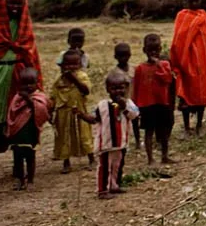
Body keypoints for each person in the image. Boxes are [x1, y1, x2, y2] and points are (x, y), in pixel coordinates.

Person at [0, 0, 42, 184]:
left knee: (19, 122)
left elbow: (29, 50)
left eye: (19, 3)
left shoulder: (24, 23)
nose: (15, 7)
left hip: (18, 77)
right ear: (3, 2)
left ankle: (18, 168)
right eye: (12, 2)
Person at [80, 69, 139, 199]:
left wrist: (124, 107)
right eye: (114, 88)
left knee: (117, 165)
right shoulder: (102, 105)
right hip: (106, 143)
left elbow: (134, 115)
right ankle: (102, 190)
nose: (118, 91)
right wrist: (82, 115)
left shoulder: (128, 103)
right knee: (105, 167)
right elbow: (95, 119)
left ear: (126, 88)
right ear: (107, 89)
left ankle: (114, 185)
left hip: (121, 142)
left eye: (121, 88)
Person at [170, 0, 206, 136]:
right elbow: (178, 41)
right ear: (185, 2)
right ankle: (186, 127)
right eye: (191, 1)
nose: (194, 3)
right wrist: (179, 61)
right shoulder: (182, 17)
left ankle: (199, 124)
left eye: (196, 0)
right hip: (186, 62)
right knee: (186, 95)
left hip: (204, 62)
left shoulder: (205, 17)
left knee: (201, 96)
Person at [4, 68, 49, 191]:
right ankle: (19, 179)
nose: (28, 86)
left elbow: (41, 112)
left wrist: (28, 100)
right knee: (17, 158)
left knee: (30, 158)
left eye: (31, 83)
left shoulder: (38, 97)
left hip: (30, 133)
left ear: (37, 83)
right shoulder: (17, 98)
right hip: (18, 133)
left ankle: (30, 180)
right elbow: (12, 113)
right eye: (24, 83)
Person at [133, 34, 175, 165]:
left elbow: (167, 79)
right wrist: (136, 106)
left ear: (160, 49)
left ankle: (164, 156)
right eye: (150, 50)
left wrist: (159, 65)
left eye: (156, 50)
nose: (153, 53)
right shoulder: (140, 68)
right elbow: (137, 88)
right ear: (144, 50)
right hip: (147, 105)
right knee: (149, 132)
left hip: (162, 103)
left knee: (163, 131)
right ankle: (150, 158)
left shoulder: (165, 64)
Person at [50, 50, 94, 173]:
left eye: (74, 64)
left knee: (84, 136)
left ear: (80, 65)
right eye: (67, 64)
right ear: (62, 65)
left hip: (79, 112)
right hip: (63, 114)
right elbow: (53, 96)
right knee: (64, 138)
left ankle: (91, 158)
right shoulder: (59, 80)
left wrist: (75, 79)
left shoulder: (82, 76)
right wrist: (50, 111)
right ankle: (66, 163)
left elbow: (86, 90)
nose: (70, 67)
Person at [109, 42, 140, 148]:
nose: (123, 58)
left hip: (133, 100)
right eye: (120, 56)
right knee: (120, 122)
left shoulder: (134, 69)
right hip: (120, 101)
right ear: (115, 57)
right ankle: (122, 142)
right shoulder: (114, 72)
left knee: (135, 121)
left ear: (130, 55)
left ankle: (137, 141)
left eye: (126, 55)